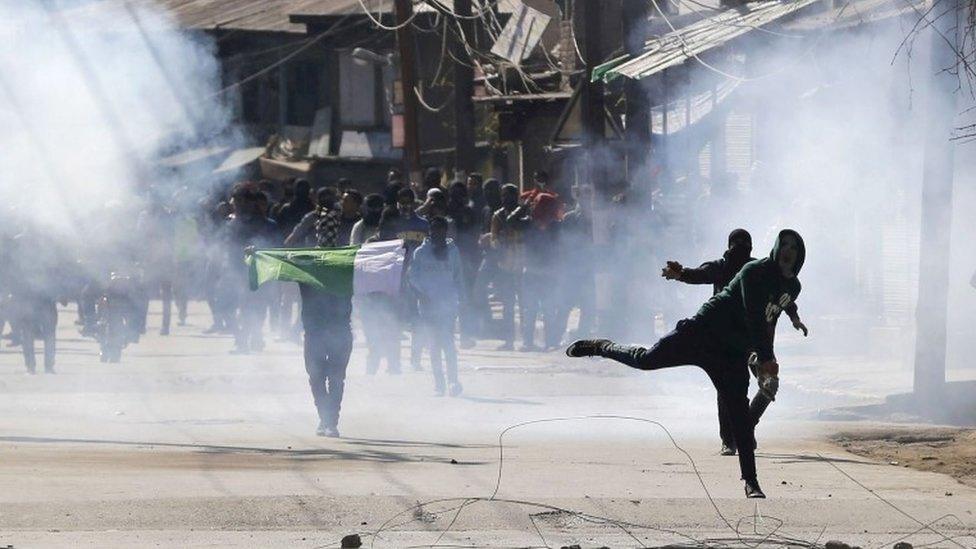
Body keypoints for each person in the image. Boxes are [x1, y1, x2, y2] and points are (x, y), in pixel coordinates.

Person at [566, 229, 807, 499]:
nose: (788, 251)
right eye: (784, 245)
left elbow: (772, 317)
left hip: (732, 353)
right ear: (775, 248)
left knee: (739, 415)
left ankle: (751, 482)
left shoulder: (792, 287)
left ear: (800, 257)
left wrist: (778, 341)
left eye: (794, 249)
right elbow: (753, 315)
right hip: (702, 332)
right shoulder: (754, 271)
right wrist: (766, 358)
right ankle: (603, 347)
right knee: (646, 360)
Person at [661, 228, 808, 456]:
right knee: (728, 389)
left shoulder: (760, 270)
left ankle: (744, 431)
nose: (740, 249)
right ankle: (729, 439)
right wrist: (680, 274)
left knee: (768, 383)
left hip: (753, 339)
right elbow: (700, 274)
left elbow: (782, 294)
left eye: (744, 244)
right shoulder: (722, 267)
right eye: (736, 244)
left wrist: (794, 317)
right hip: (725, 337)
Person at [408, 216, 464, 396]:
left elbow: (458, 277)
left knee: (448, 343)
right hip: (427, 306)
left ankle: (453, 381)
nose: (437, 233)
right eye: (434, 229)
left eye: (441, 229)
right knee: (433, 345)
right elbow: (412, 277)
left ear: (445, 231)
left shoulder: (453, 252)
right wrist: (422, 294)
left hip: (447, 305)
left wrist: (461, 299)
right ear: (430, 231)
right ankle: (439, 384)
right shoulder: (420, 252)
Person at [222, 184, 278, 354]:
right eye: (235, 201)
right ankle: (246, 337)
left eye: (238, 201)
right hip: (235, 272)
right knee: (227, 307)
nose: (235, 204)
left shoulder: (267, 225)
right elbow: (223, 247)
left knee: (253, 307)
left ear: (248, 202)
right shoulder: (231, 223)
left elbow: (274, 249)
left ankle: (247, 339)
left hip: (257, 273)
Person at [352, 194, 401, 375]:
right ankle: (371, 375)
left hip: (392, 297)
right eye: (388, 225)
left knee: (393, 335)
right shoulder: (371, 243)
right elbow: (362, 268)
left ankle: (394, 371)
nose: (392, 229)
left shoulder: (400, 244)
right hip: (371, 298)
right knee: (373, 338)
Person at [516, 193, 562, 351]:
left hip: (543, 273)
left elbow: (512, 221)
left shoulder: (553, 226)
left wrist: (524, 206)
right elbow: (511, 222)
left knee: (544, 310)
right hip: (537, 273)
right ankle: (532, 342)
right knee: (533, 310)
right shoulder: (530, 223)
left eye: (536, 203)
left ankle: (547, 342)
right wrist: (524, 207)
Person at [490, 184, 525, 350]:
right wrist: (498, 247)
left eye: (509, 195)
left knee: (525, 303)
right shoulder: (498, 216)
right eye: (503, 195)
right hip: (505, 265)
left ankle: (527, 340)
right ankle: (509, 340)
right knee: (508, 304)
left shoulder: (523, 213)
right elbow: (493, 239)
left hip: (524, 263)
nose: (506, 198)